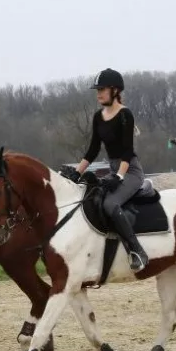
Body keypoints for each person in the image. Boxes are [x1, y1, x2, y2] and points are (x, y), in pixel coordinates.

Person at [64, 68, 149, 271]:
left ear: (115, 90)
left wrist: (119, 176)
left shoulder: (125, 115)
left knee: (110, 204)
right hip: (114, 169)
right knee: (92, 198)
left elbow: (127, 152)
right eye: (97, 90)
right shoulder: (98, 117)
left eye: (102, 89)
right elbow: (93, 150)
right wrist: (77, 172)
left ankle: (137, 251)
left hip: (131, 171)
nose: (98, 93)